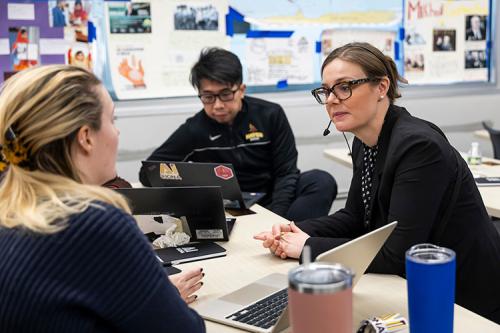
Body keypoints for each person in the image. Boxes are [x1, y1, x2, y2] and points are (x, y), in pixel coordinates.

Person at [254, 42, 500, 323]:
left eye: (344, 87)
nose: (332, 99)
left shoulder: (418, 146)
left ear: (381, 87)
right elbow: (356, 217)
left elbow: (397, 252)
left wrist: (307, 245)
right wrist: (292, 231)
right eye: (326, 90)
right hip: (414, 288)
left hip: (463, 300)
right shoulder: (366, 142)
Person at [0, 65, 206, 332]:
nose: (117, 133)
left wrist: (149, 295)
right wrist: (164, 302)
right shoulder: (93, 222)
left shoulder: (12, 208)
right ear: (86, 137)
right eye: (112, 120)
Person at [139, 48, 337, 221]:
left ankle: (291, 237)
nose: (217, 105)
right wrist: (196, 188)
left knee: (321, 180)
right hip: (227, 208)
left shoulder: (270, 114)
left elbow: (286, 173)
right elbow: (149, 174)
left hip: (273, 199)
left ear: (241, 90)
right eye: (208, 97)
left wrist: (275, 219)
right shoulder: (194, 129)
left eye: (225, 94)